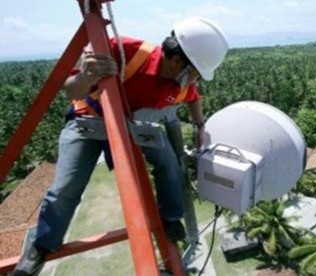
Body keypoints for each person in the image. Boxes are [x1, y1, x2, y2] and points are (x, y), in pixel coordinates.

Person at [13, 17, 228, 276]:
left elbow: (194, 99)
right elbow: (71, 91)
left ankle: (170, 218)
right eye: (194, 72)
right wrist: (88, 75)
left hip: (133, 126)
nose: (194, 80)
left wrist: (199, 126)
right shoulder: (126, 51)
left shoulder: (180, 84)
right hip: (90, 121)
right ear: (176, 61)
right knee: (66, 186)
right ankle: (43, 244)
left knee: (169, 163)